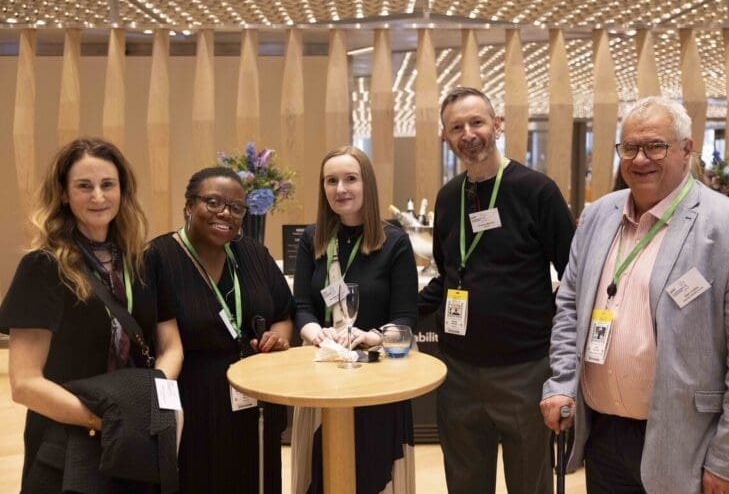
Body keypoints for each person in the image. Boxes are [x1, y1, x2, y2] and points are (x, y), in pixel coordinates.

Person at [541, 96, 729, 494]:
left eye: (655, 146)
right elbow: (568, 309)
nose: (641, 158)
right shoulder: (598, 216)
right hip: (603, 437)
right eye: (630, 147)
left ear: (686, 149)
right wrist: (560, 383)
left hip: (687, 445)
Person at [0, 137, 183, 491]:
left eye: (107, 185)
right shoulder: (42, 268)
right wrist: (109, 420)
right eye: (84, 186)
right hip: (69, 435)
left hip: (138, 435)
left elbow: (171, 346)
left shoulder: (144, 261)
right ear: (64, 195)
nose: (98, 197)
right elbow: (24, 384)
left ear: (122, 191)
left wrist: (150, 402)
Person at [418, 87, 575, 494]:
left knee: (529, 482)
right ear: (445, 137)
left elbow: (574, 275)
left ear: (497, 125)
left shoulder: (537, 191)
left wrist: (542, 331)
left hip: (524, 371)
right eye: (456, 127)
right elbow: (449, 273)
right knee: (465, 482)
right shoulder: (449, 197)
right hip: (457, 370)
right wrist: (394, 315)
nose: (468, 133)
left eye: (477, 122)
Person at [149, 167, 294, 493]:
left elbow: (284, 313)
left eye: (236, 207)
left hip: (255, 400)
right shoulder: (158, 258)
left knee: (257, 479)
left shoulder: (254, 254)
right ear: (188, 205)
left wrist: (280, 336)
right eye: (213, 202)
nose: (225, 213)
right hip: (193, 402)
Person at [292, 145, 418, 494]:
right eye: (331, 181)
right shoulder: (312, 238)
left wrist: (372, 336)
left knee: (370, 476)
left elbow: (406, 318)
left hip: (378, 377)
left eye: (350, 179)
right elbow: (301, 304)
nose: (340, 189)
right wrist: (316, 332)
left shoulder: (394, 243)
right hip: (323, 372)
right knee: (323, 472)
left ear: (368, 185)